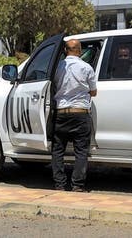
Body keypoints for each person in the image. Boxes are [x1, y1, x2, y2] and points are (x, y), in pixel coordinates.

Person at [51, 39, 97, 192]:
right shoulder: (87, 67)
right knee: (81, 151)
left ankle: (59, 184)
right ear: (79, 50)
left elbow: (51, 86)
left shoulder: (57, 67)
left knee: (58, 150)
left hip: (61, 114)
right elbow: (93, 92)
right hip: (80, 114)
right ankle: (77, 185)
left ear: (65, 50)